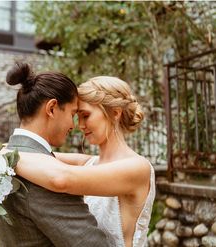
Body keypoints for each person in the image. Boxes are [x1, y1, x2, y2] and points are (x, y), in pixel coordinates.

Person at [14, 76, 155, 247]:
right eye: (76, 116)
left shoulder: (137, 168)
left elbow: (61, 178)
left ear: (115, 113)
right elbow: (38, 153)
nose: (79, 125)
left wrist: (7, 156)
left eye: (85, 115)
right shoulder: (89, 163)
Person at [0, 63, 110, 247]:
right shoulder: (43, 176)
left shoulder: (2, 161)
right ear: (52, 108)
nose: (74, 125)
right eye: (72, 114)